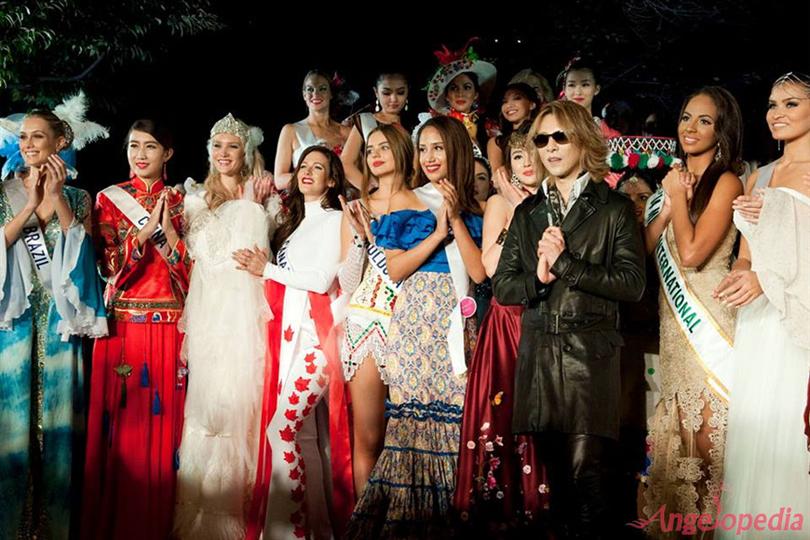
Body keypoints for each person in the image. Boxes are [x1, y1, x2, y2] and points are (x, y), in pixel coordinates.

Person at [492, 100, 645, 538]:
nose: (550, 147)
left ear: (583, 140)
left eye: (561, 136)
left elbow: (633, 284)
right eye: (541, 139)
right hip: (539, 358)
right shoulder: (526, 213)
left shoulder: (614, 208)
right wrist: (537, 279)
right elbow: (503, 286)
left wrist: (566, 265)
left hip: (590, 357)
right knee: (556, 484)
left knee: (588, 476)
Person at [346, 116, 485, 538]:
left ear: (456, 150)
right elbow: (393, 267)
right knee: (408, 427)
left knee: (454, 427)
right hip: (413, 320)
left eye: (438, 148)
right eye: (423, 149)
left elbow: (478, 273)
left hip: (456, 324)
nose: (428, 158)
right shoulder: (410, 199)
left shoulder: (477, 208)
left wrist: (455, 219)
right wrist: (437, 230)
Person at [0, 96, 108, 539]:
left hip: (61, 326)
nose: (27, 144)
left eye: (37, 136)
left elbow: (85, 260)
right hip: (17, 324)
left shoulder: (80, 197)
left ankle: (55, 527)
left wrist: (58, 199)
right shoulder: (4, 192)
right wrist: (28, 205)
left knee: (59, 423)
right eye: (22, 137)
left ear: (60, 142)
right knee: (12, 425)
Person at [642, 87, 744, 533]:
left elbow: (692, 255)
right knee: (678, 442)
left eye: (705, 120)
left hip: (709, 326)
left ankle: (704, 531)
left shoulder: (728, 182)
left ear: (723, 130)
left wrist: (678, 202)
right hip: (672, 330)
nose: (690, 127)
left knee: (704, 446)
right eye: (686, 117)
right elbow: (646, 251)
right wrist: (667, 206)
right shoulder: (672, 183)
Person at [82, 119, 191, 540]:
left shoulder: (184, 199)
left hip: (170, 328)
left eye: (150, 146)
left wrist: (168, 238)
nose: (140, 154)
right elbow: (107, 268)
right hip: (124, 327)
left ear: (168, 153)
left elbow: (193, 271)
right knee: (123, 429)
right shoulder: (109, 200)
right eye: (133, 146)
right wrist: (144, 234)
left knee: (170, 433)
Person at [715, 72, 810, 539]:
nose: (777, 113)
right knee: (755, 428)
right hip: (759, 317)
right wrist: (741, 271)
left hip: (796, 314)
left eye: (791, 103)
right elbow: (747, 251)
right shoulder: (759, 174)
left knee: (790, 428)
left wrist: (765, 275)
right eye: (773, 104)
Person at [173, 113, 274, 539]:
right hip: (212, 313)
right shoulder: (196, 198)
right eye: (218, 147)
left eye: (233, 146)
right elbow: (206, 261)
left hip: (248, 314)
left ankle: (240, 511)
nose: (224, 154)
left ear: (246, 152)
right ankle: (203, 518)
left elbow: (261, 256)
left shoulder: (266, 197)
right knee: (208, 406)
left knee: (242, 402)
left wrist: (257, 205)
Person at [454, 131, 547, 537]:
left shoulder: (556, 200)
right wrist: (517, 211)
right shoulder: (498, 202)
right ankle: (499, 510)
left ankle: (540, 506)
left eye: (533, 153)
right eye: (518, 156)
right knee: (502, 413)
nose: (526, 163)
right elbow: (489, 266)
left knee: (541, 419)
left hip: (545, 320)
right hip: (507, 320)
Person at [338, 124, 412, 497]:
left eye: (385, 147)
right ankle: (363, 523)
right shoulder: (356, 207)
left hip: (411, 323)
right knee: (368, 435)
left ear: (402, 150)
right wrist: (358, 238)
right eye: (369, 150)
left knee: (407, 435)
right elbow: (349, 281)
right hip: (366, 322)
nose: (376, 155)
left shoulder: (423, 204)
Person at [274, 70, 351, 190]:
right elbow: (279, 180)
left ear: (331, 94)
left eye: (322, 88)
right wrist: (317, 178)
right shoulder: (291, 130)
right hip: (306, 202)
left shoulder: (347, 132)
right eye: (310, 89)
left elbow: (358, 173)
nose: (315, 94)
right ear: (304, 94)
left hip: (344, 199)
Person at [424, 39, 497, 153]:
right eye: (453, 88)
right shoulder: (437, 124)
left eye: (467, 87)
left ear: (476, 94)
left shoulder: (488, 126)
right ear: (446, 96)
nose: (460, 93)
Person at [340, 72, 409, 189]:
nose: (394, 99)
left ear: (407, 91)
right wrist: (369, 189)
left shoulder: (417, 122)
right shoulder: (365, 121)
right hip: (379, 198)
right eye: (386, 93)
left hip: (411, 192)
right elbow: (346, 163)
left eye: (400, 92)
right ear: (376, 92)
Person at [486, 83, 542, 174]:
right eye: (504, 102)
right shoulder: (497, 143)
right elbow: (497, 178)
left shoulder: (543, 136)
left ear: (532, 105)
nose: (509, 105)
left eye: (517, 98)